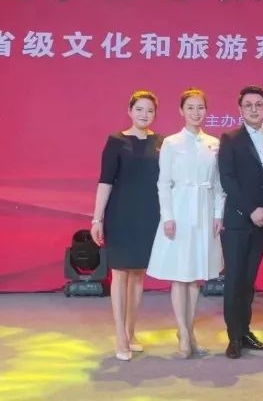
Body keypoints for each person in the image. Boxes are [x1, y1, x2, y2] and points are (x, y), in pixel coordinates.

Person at [147, 88, 224, 358]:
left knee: (194, 278)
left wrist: (218, 214)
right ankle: (182, 331)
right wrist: (167, 216)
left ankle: (189, 332)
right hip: (179, 211)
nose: (196, 112)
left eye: (200, 107)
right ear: (181, 111)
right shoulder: (171, 143)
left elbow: (218, 184)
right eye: (190, 107)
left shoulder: (214, 143)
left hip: (204, 211)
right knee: (180, 276)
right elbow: (163, 183)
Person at [90, 90, 163, 361]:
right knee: (120, 274)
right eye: (139, 109)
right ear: (130, 111)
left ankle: (131, 332)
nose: (144, 114)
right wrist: (97, 219)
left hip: (149, 215)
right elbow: (105, 182)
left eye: (150, 110)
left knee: (138, 275)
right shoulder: (116, 141)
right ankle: (119, 335)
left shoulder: (161, 143)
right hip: (120, 214)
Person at [217, 85, 263, 359]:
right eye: (248, 105)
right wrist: (251, 210)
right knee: (235, 279)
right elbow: (227, 179)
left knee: (249, 279)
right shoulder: (230, 138)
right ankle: (234, 337)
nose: (254, 109)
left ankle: (245, 332)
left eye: (258, 104)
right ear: (240, 109)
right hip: (238, 219)